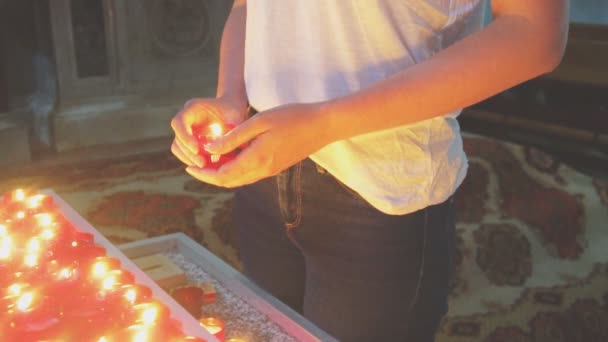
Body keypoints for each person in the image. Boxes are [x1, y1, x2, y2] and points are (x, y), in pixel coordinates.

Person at [170, 0, 569, 340]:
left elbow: (534, 34)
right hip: (264, 178)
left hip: (377, 199)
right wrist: (231, 97)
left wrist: (324, 124)